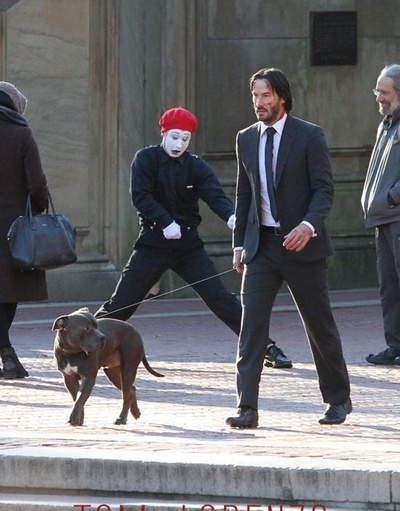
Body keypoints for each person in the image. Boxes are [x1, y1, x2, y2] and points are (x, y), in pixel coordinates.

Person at [95, 107, 291, 368]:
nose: (179, 144)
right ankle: (83, 344)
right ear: (163, 134)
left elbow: (215, 195)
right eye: (174, 137)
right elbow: (141, 196)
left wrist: (232, 217)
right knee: (122, 303)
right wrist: (165, 222)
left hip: (188, 248)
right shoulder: (145, 159)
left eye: (185, 139)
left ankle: (265, 346)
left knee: (221, 299)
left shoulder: (196, 165)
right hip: (152, 244)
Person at [225, 68, 352, 429]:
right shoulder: (246, 138)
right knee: (251, 328)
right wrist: (239, 244)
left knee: (319, 325)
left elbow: (324, 190)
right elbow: (244, 194)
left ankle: (338, 400)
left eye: (265, 96)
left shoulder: (309, 135)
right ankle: (247, 407)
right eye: (255, 96)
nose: (259, 103)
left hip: (302, 247)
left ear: (281, 97)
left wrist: (308, 226)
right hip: (261, 248)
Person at [0, 81, 49, 379]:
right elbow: (37, 183)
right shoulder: (21, 133)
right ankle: (7, 355)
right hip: (14, 228)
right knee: (9, 292)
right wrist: (37, 208)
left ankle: (7, 356)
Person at [362, 64, 400, 365]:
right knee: (389, 287)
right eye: (377, 91)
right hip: (383, 219)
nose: (379, 98)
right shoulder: (386, 124)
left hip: (396, 215)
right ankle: (395, 346)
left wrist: (391, 197)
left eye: (384, 92)